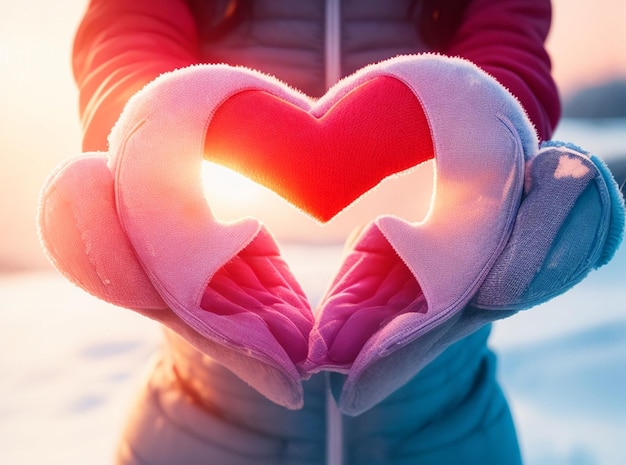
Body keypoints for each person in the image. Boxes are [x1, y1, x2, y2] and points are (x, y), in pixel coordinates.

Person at [71, 1, 561, 463]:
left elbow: (511, 42)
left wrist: (495, 154)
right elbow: (126, 34)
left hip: (446, 418)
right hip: (200, 416)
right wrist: (143, 150)